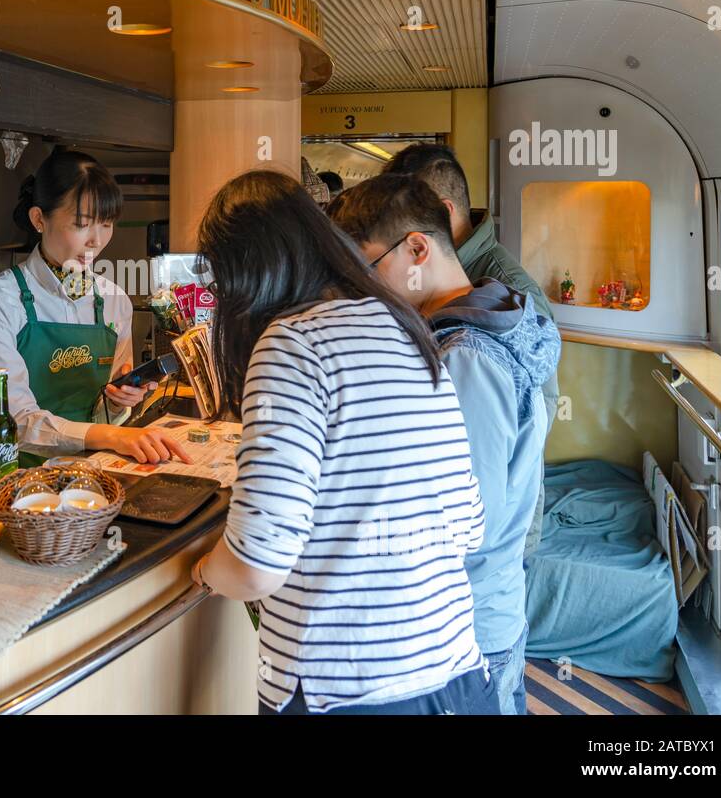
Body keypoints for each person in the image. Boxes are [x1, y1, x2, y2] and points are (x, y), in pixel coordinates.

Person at [188, 169, 496, 715]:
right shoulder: (408, 326)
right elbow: (470, 525)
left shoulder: (292, 344)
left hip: (348, 690)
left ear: (249, 274)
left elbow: (257, 563)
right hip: (457, 679)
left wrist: (207, 570)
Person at [330, 173, 561, 714]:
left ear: (416, 247)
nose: (361, 289)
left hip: (467, 624)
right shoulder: (494, 315)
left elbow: (465, 520)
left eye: (365, 268)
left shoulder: (467, 358)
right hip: (483, 610)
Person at [0, 150, 190, 466]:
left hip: (90, 475)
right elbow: (16, 421)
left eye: (107, 224)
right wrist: (111, 436)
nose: (96, 241)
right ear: (39, 219)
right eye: (82, 225)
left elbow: (107, 414)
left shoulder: (114, 301)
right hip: (10, 477)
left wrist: (122, 400)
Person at [384, 142, 559, 554]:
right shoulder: (433, 276)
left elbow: (532, 420)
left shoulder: (505, 289)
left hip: (487, 537)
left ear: (442, 214)